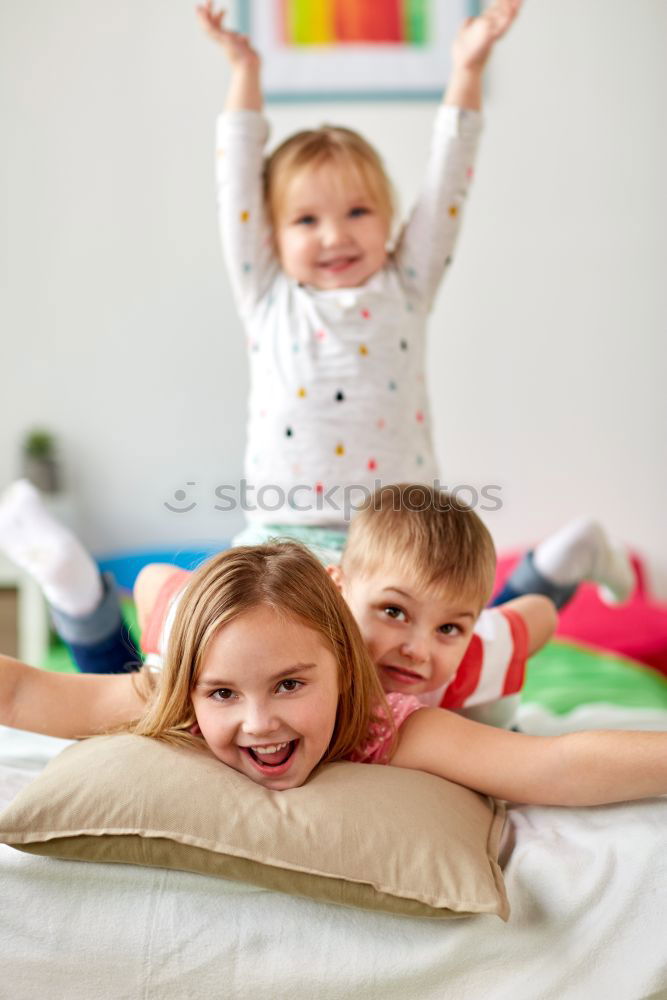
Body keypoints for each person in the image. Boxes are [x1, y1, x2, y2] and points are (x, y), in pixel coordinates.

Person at [197, 0, 522, 552]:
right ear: (271, 236)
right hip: (281, 535)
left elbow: (448, 183)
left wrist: (467, 71)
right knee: (229, 624)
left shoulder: (407, 284)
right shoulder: (268, 294)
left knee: (420, 627)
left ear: (389, 217)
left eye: (357, 212)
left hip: (398, 533)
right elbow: (236, 184)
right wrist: (245, 74)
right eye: (306, 220)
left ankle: (552, 573)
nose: (334, 236)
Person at [1, 539, 666, 806]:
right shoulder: (175, 692)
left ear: (346, 670)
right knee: (155, 590)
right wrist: (206, 679)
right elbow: (27, 687)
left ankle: (561, 565)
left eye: (290, 684)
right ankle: (84, 583)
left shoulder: (381, 721)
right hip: (180, 604)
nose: (259, 724)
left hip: (475, 633)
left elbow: (548, 766)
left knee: (508, 634)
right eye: (224, 694)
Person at [0, 479, 634, 733]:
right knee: (138, 681)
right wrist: (169, 615)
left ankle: (563, 559)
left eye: (447, 627)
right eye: (393, 613)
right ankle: (75, 586)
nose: (418, 647)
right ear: (339, 589)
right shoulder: (259, 647)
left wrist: (506, 613)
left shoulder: (468, 663)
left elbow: (534, 622)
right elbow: (157, 585)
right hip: (232, 591)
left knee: (495, 634)